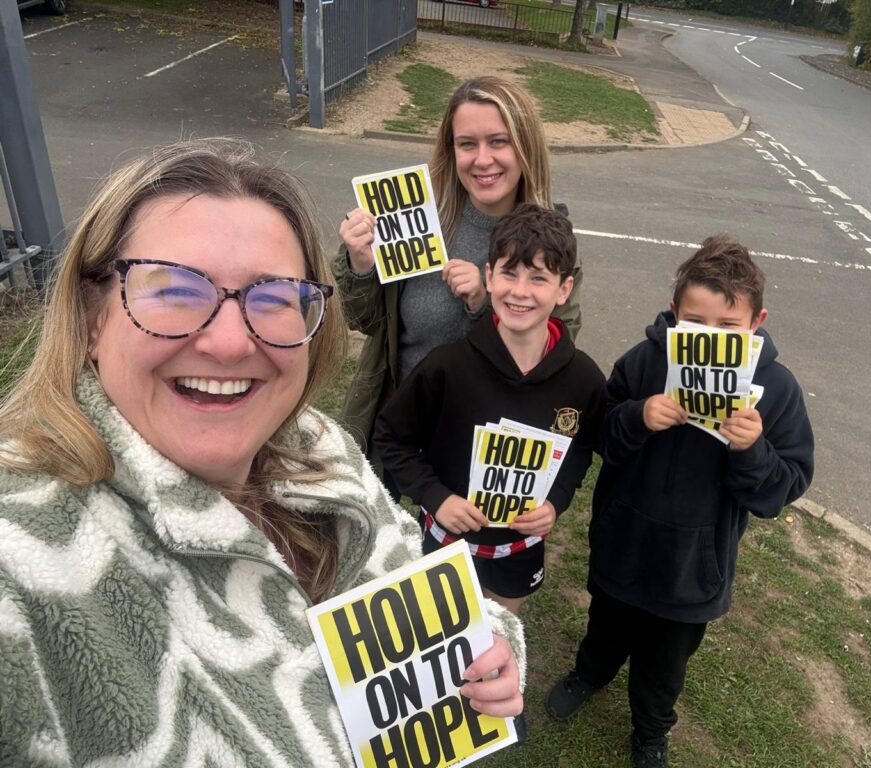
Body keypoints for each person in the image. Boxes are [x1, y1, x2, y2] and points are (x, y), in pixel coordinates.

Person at [0, 139, 523, 765]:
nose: (228, 344)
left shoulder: (321, 449)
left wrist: (488, 644)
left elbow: (418, 582)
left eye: (273, 297)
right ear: (92, 317)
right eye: (173, 290)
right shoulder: (25, 558)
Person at [545, 235, 814, 768]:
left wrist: (752, 450)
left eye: (727, 327)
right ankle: (588, 674)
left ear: (756, 323)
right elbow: (601, 436)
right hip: (624, 545)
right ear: (674, 315)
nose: (709, 336)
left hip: (693, 570)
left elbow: (784, 485)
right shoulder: (644, 362)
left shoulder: (777, 391)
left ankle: (650, 732)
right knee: (605, 626)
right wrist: (637, 416)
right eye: (694, 324)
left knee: (664, 665)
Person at [335, 76, 583, 462]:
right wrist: (361, 265)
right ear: (452, 150)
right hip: (397, 432)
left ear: (525, 147)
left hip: (481, 445)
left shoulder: (551, 240)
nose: (482, 160)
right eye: (467, 144)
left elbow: (556, 355)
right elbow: (365, 322)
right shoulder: (416, 215)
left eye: (498, 142)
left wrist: (486, 305)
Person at [374, 204, 604, 615]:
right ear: (488, 275)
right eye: (509, 273)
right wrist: (435, 496)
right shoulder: (446, 366)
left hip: (518, 548)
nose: (520, 291)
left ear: (563, 289)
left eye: (539, 278)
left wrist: (555, 501)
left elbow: (581, 447)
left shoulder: (582, 379)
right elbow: (392, 438)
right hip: (447, 540)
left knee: (500, 630)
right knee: (442, 632)